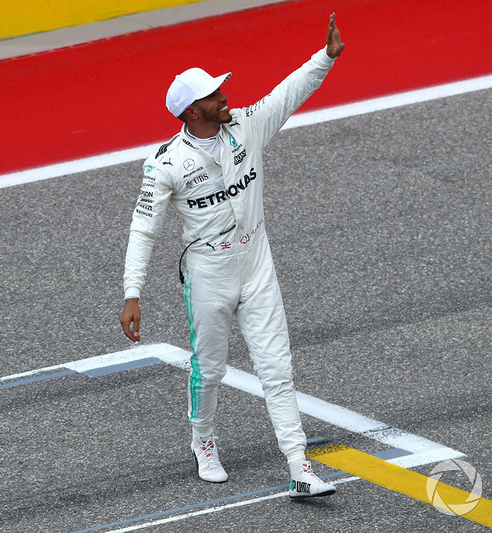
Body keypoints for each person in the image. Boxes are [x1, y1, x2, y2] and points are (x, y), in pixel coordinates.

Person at [120, 13, 345, 499]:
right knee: (211, 368)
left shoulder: (246, 126)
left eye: (220, 91)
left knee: (277, 368)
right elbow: (143, 227)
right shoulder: (164, 164)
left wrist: (324, 57)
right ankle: (203, 440)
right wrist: (132, 293)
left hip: (256, 264)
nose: (225, 97)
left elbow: (288, 92)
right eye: (213, 95)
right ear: (191, 112)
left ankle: (299, 465)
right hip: (208, 274)